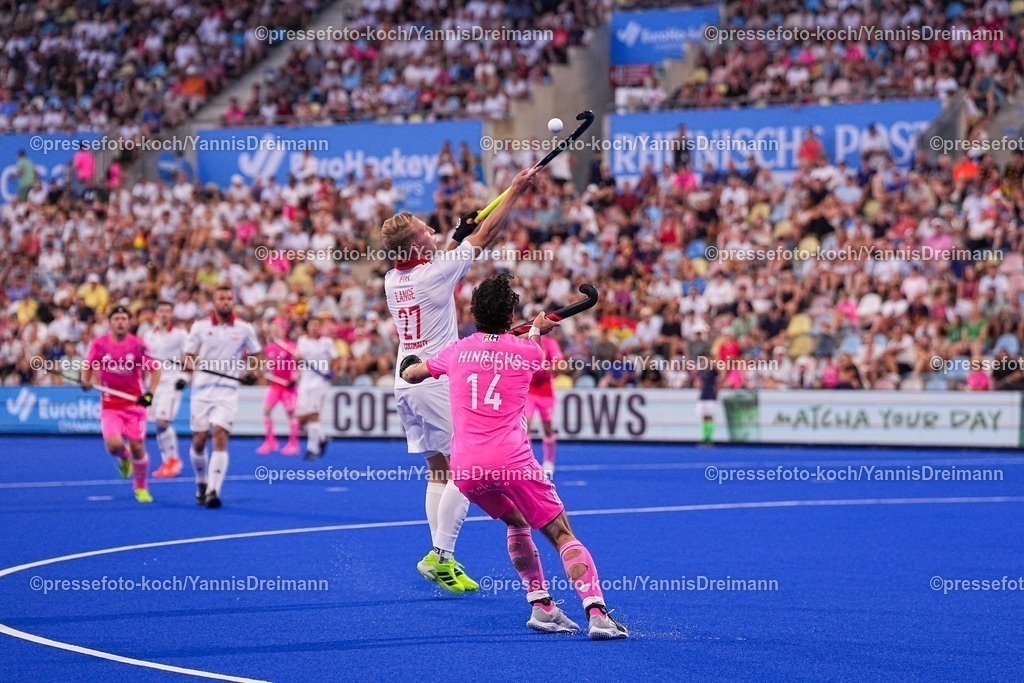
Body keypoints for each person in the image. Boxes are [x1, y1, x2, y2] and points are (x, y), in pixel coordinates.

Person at [401, 274, 628, 639]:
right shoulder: (527, 351)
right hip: (512, 461)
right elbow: (532, 351)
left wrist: (410, 363)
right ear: (510, 315)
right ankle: (597, 612)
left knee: (517, 522)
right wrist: (536, 330)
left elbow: (413, 375)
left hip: (467, 469)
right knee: (560, 533)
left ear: (474, 313)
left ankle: (541, 606)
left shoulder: (456, 351)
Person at [381, 166, 540, 594]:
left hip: (406, 382)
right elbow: (485, 237)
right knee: (464, 470)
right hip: (436, 381)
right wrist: (514, 190)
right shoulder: (433, 273)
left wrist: (454, 237)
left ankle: (440, 557)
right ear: (416, 246)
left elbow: (436, 264)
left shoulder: (393, 279)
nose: (433, 231)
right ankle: (441, 554)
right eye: (426, 231)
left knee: (438, 471)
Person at [183, 285, 262, 508]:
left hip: (227, 393)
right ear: (214, 302)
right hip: (201, 392)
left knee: (219, 435)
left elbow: (255, 355)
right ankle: (201, 482)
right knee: (199, 441)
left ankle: (213, 490)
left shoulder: (244, 328)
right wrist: (191, 366)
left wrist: (253, 373)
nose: (226, 302)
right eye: (221, 298)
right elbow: (188, 356)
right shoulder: (199, 327)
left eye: (229, 298)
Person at [81, 306, 161, 503]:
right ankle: (124, 457)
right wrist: (85, 381)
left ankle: (141, 487)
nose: (120, 322)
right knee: (113, 445)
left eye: (124, 319)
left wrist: (150, 394)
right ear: (110, 323)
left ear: (129, 322)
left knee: (138, 447)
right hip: (111, 405)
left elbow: (155, 369)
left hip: (135, 405)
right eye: (116, 319)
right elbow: (88, 365)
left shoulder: (138, 345)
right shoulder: (99, 344)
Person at [144, 301, 188, 477]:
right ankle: (167, 461)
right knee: (158, 424)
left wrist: (184, 377)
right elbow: (144, 360)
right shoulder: (148, 335)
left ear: (172, 314)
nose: (164, 314)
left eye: (168, 311)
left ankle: (174, 460)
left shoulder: (180, 334)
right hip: (154, 384)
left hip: (171, 382)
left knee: (163, 421)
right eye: (161, 311)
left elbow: (189, 357)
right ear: (156, 313)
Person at [295, 315, 340, 460]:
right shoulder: (302, 341)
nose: (314, 328)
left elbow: (336, 359)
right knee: (300, 417)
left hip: (320, 382)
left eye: (317, 325)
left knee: (314, 413)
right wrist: (297, 360)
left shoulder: (327, 342)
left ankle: (312, 449)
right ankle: (322, 437)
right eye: (312, 325)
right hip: (305, 382)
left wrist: (334, 372)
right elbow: (297, 359)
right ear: (308, 327)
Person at [258, 318, 300, 455]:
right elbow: (268, 365)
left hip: (288, 387)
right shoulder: (269, 347)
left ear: (285, 330)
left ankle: (293, 444)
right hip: (275, 386)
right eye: (274, 328)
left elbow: (298, 364)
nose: (276, 330)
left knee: (291, 414)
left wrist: (295, 376)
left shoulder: (291, 346)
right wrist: (264, 370)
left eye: (279, 328)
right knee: (266, 411)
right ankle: (270, 442)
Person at [525, 332, 563, 477]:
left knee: (547, 427)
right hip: (529, 391)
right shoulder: (525, 342)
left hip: (545, 392)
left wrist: (543, 369)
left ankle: (549, 460)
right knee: (525, 426)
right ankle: (528, 461)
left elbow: (561, 364)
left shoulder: (550, 343)